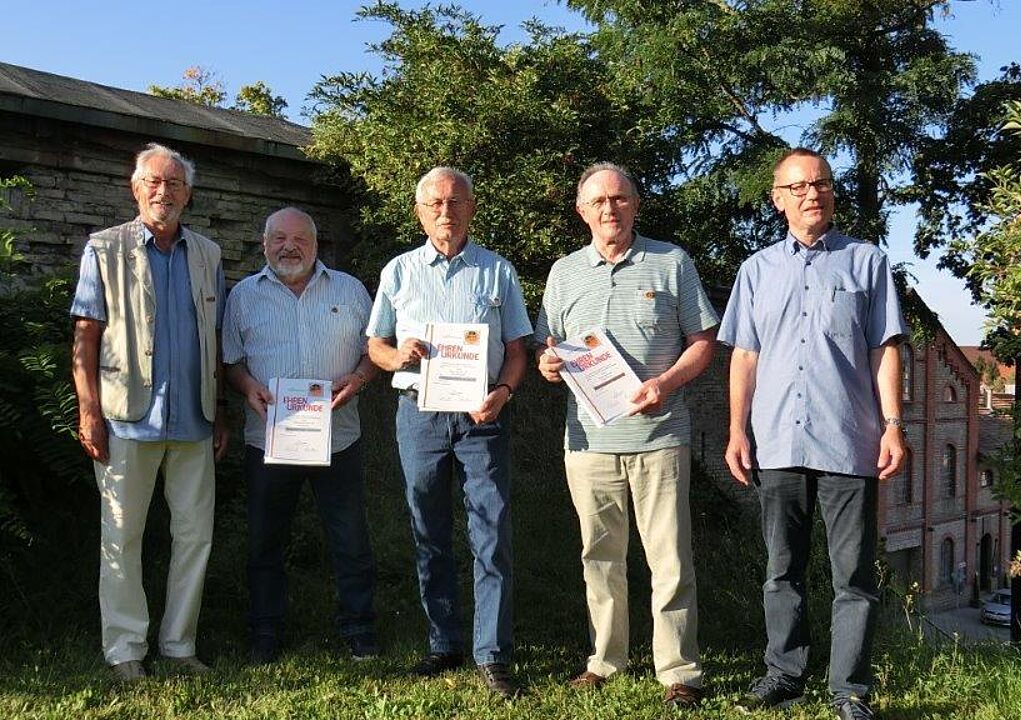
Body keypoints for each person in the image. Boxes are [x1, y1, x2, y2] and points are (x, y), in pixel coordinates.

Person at [718, 148, 907, 720]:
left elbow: (885, 349)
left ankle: (850, 691)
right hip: (776, 440)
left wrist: (893, 424)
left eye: (821, 184)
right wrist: (735, 430)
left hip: (850, 440)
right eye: (797, 187)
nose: (811, 194)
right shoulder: (755, 271)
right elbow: (744, 356)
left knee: (853, 575)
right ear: (778, 199)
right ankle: (785, 672)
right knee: (782, 569)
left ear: (831, 192)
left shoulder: (867, 262)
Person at [534, 162, 720, 709]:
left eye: (619, 199)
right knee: (600, 556)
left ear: (636, 205)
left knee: (670, 558)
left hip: (660, 437)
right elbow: (549, 345)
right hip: (588, 441)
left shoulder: (671, 262)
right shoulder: (563, 272)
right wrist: (547, 364)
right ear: (581, 211)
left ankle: (679, 670)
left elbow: (703, 340)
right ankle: (605, 660)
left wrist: (665, 382)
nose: (609, 209)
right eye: (598, 202)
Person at [365, 166, 532, 698]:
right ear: (419, 211)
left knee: (492, 532)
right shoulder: (398, 271)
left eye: (455, 202)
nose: (445, 211)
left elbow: (515, 351)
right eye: (435, 203)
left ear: (471, 208)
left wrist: (502, 394)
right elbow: (376, 345)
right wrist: (398, 356)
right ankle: (443, 643)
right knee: (427, 529)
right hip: (419, 413)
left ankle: (493, 654)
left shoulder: (498, 270)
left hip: (483, 415)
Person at [70, 142, 228, 682]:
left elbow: (216, 339)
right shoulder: (104, 248)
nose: (165, 192)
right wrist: (89, 411)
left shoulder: (208, 253)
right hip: (124, 418)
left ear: (189, 193)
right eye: (154, 183)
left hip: (196, 420)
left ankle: (180, 646)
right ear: (136, 188)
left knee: (195, 538)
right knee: (121, 535)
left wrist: (222, 411)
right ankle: (125, 651)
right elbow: (85, 337)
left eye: (176, 184)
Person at [222, 207, 380, 664]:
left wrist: (360, 379)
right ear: (264, 243)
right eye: (279, 239)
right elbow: (231, 361)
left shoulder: (350, 290)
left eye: (300, 240)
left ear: (316, 245)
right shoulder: (243, 297)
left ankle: (359, 628)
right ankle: (265, 632)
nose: (289, 247)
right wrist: (246, 386)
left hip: (338, 439)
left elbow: (374, 351)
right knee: (266, 542)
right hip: (269, 441)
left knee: (351, 539)